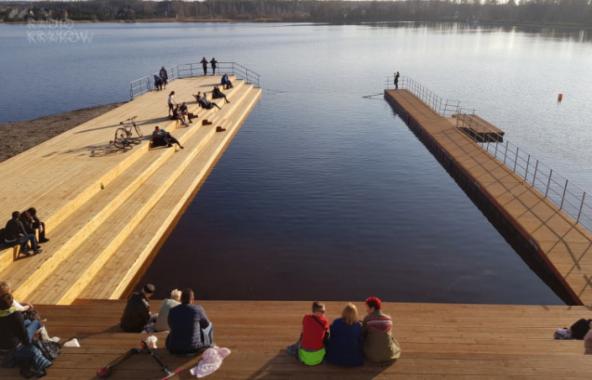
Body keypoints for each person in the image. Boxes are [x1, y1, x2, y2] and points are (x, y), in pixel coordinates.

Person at [0, 293, 52, 378]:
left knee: (27, 322)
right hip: (13, 346)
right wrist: (27, 344)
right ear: (11, 303)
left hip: (2, 345)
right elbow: (24, 337)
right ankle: (45, 341)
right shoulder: (15, 315)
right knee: (36, 323)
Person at [166, 288, 212, 354]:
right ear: (192, 299)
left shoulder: (173, 310)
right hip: (193, 349)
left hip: (174, 349)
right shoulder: (198, 309)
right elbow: (206, 325)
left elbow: (170, 325)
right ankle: (210, 343)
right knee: (209, 325)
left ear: (181, 299)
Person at [287, 301, 329, 366]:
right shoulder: (325, 322)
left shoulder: (306, 318)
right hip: (318, 358)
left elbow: (303, 331)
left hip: (304, 358)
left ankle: (294, 348)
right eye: (323, 311)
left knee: (302, 338)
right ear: (317, 311)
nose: (324, 313)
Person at [362, 296, 401, 364]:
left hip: (372, 355)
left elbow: (363, 334)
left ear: (372, 308)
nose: (366, 310)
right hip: (388, 354)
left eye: (367, 307)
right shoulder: (388, 318)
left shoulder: (367, 318)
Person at [326, 303, 364, 367]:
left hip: (335, 358)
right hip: (354, 360)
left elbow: (332, 336)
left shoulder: (336, 322)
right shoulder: (358, 325)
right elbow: (360, 340)